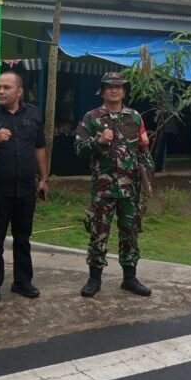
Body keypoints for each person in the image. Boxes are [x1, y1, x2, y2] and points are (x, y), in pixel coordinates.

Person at [74, 71, 155, 298]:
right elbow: (78, 149)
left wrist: (149, 179)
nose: (114, 90)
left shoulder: (134, 117)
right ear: (102, 90)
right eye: (109, 86)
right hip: (103, 188)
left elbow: (143, 150)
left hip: (130, 188)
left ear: (124, 91)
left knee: (130, 232)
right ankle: (94, 279)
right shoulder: (91, 118)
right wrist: (97, 142)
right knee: (98, 232)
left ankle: (130, 279)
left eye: (119, 87)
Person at [0, 71, 49, 302]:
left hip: (26, 189)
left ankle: (22, 282)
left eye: (6, 87)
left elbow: (40, 147)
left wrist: (44, 178)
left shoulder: (33, 114)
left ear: (19, 91)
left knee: (23, 237)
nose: (0, 91)